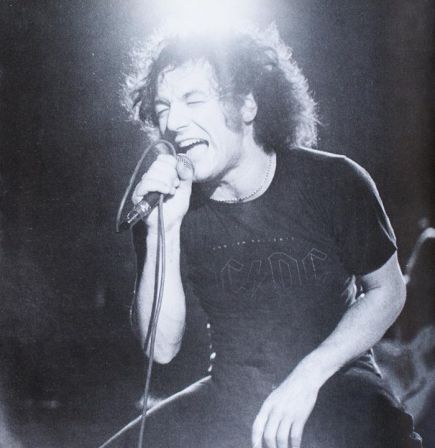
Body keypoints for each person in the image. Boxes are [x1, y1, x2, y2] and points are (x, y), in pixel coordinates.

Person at [124, 25, 422, 448]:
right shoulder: (165, 207)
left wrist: (308, 375)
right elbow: (161, 349)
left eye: (194, 100)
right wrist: (162, 231)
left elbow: (387, 291)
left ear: (247, 104)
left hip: (335, 378)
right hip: (231, 396)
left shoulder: (333, 180)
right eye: (163, 107)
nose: (173, 122)